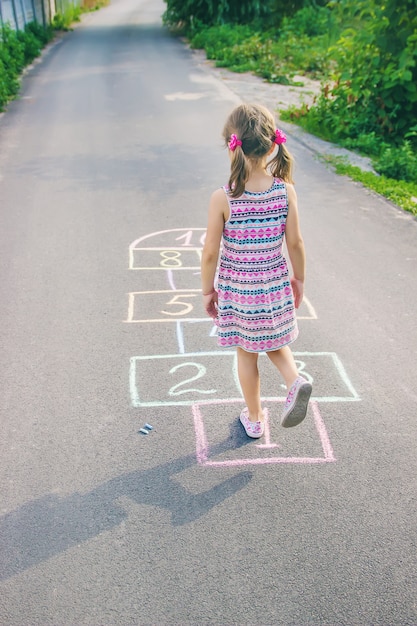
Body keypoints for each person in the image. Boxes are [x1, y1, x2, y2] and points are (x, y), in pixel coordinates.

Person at [201, 103, 312, 439]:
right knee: (275, 342)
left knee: (247, 352)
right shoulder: (285, 190)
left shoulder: (223, 197)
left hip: (240, 290)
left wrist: (208, 290)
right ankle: (295, 380)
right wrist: (299, 279)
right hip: (275, 285)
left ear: (232, 145)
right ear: (270, 143)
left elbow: (210, 253)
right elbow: (296, 243)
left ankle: (254, 417)